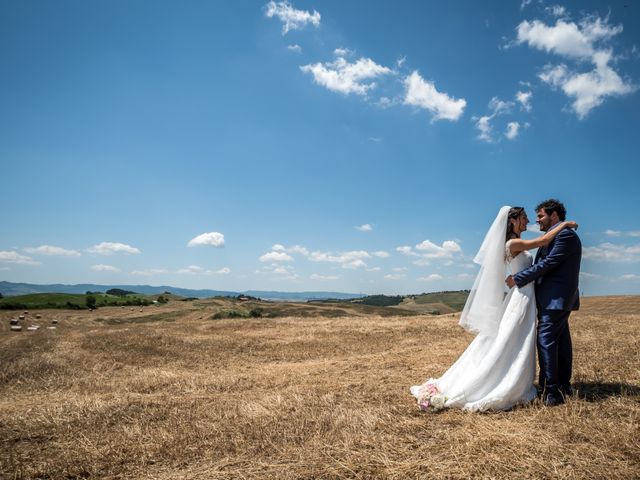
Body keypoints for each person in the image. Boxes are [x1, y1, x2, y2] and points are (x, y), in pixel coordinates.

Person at [410, 205, 578, 412]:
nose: (530, 221)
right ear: (512, 221)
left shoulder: (520, 242)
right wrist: (566, 225)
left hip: (527, 295)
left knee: (517, 339)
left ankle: (532, 382)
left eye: (536, 216)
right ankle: (513, 382)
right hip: (521, 296)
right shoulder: (514, 242)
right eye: (525, 218)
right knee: (511, 339)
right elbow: (543, 242)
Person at [506, 199, 582, 406]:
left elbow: (548, 263)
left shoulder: (564, 235)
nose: (536, 220)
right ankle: (562, 386)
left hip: (554, 299)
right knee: (561, 342)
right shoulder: (557, 234)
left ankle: (551, 392)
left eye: (540, 216)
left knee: (546, 341)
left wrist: (518, 279)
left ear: (554, 215)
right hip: (554, 299)